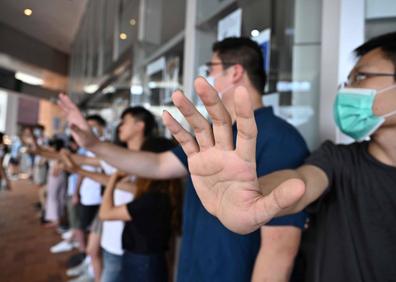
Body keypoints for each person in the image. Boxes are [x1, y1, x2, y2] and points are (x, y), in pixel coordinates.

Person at [59, 37, 309, 282]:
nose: (209, 77)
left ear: (235, 72)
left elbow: (278, 252)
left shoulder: (281, 140)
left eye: (212, 69)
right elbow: (157, 165)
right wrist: (94, 145)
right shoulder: (213, 137)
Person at [162, 32, 396, 281]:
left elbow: (279, 251)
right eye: (347, 80)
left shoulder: (279, 137)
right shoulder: (337, 160)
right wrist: (256, 194)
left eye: (360, 77)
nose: (346, 90)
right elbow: (300, 182)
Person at [62, 106, 158, 282]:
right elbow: (86, 160)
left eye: (125, 122)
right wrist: (59, 154)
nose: (120, 126)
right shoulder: (118, 155)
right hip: (113, 235)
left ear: (140, 126)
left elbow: (139, 190)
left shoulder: (151, 160)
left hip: (131, 241)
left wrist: (85, 165)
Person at [99, 137, 183, 282]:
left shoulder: (151, 199)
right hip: (150, 261)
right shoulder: (166, 194)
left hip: (141, 263)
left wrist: (113, 179)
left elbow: (105, 213)